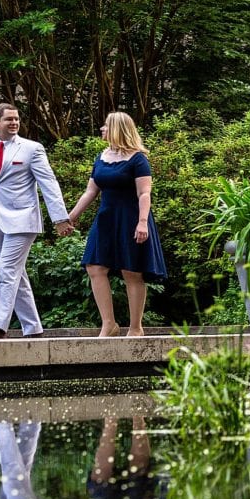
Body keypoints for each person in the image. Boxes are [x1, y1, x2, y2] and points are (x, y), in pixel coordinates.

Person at [0, 102, 73, 339]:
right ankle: (33, 328)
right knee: (16, 275)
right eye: (8, 120)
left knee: (7, 271)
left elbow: (49, 183)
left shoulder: (32, 149)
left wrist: (60, 218)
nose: (14, 123)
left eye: (16, 119)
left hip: (23, 220)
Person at [67, 111, 167, 337]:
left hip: (131, 218)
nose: (101, 129)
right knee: (94, 266)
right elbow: (90, 191)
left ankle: (135, 328)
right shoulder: (102, 157)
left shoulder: (138, 159)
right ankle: (109, 324)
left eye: (105, 125)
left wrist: (142, 223)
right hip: (106, 218)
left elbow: (144, 193)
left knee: (131, 271)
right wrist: (70, 217)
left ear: (117, 129)